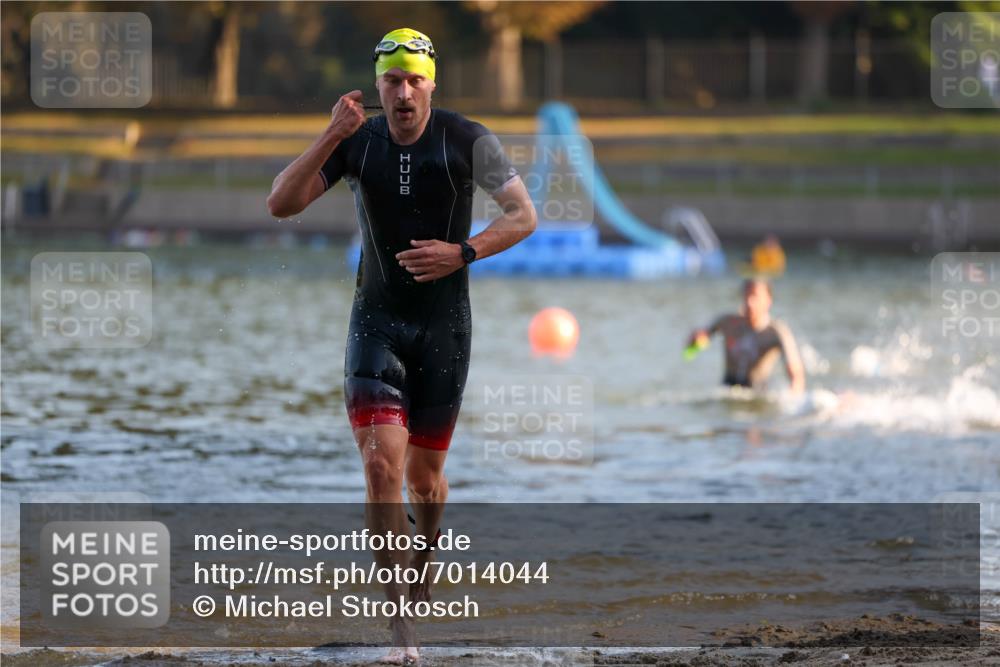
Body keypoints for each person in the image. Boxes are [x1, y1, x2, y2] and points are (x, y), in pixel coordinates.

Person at [266, 28, 537, 664]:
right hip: (376, 325)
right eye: (392, 81)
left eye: (415, 80)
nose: (404, 93)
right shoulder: (358, 142)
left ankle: (427, 554)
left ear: (432, 83)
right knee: (380, 468)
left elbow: (523, 214)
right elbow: (280, 203)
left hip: (445, 331)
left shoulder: (468, 138)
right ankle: (400, 630)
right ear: (378, 86)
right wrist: (331, 134)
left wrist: (463, 252)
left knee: (425, 480)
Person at [687, 278, 805, 395]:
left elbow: (796, 373)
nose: (749, 302)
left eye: (755, 296)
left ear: (768, 300)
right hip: (727, 390)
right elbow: (693, 346)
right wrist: (695, 342)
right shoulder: (727, 323)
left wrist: (794, 394)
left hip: (758, 395)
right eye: (746, 296)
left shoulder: (776, 332)